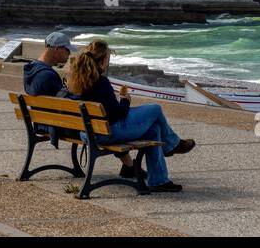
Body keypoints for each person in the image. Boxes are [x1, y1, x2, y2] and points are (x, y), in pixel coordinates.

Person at [64, 40, 195, 193]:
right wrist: (125, 100)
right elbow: (117, 114)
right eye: (108, 59)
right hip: (108, 133)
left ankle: (159, 180)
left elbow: (107, 112)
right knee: (155, 108)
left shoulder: (77, 82)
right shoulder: (101, 82)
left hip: (87, 132)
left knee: (153, 128)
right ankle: (173, 144)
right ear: (103, 60)